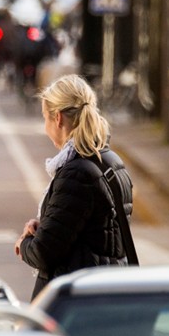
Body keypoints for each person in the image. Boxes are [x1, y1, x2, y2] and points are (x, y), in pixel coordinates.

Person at [14, 73, 134, 300]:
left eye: (45, 118)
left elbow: (44, 253)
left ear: (58, 118)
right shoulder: (111, 161)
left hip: (78, 303)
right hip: (105, 292)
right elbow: (94, 230)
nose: (45, 126)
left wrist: (25, 242)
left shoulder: (76, 174)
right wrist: (47, 224)